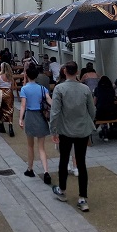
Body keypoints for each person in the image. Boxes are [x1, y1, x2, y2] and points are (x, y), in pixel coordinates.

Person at [50, 61, 96, 212]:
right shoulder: (85, 89)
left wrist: (53, 130)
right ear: (77, 72)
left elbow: (55, 112)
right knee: (81, 162)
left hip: (65, 130)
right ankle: (83, 198)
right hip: (82, 130)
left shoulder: (59, 89)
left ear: (64, 72)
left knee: (64, 160)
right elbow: (92, 110)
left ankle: (62, 190)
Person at [18, 65, 52, 184]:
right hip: (41, 117)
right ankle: (46, 171)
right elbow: (49, 101)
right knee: (41, 147)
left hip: (30, 116)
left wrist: (20, 118)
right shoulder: (43, 89)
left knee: (30, 146)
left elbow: (23, 105)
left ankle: (30, 168)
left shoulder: (24, 89)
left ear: (27, 75)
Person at [94, 75, 117, 141]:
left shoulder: (97, 89)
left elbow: (94, 102)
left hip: (101, 114)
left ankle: (104, 133)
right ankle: (111, 130)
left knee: (101, 113)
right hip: (112, 114)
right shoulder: (111, 90)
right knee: (108, 111)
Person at [0, 62, 16, 137]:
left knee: (0, 109)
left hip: (1, 93)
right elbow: (13, 88)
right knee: (10, 110)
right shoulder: (11, 77)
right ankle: (10, 127)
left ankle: (2, 126)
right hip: (9, 93)